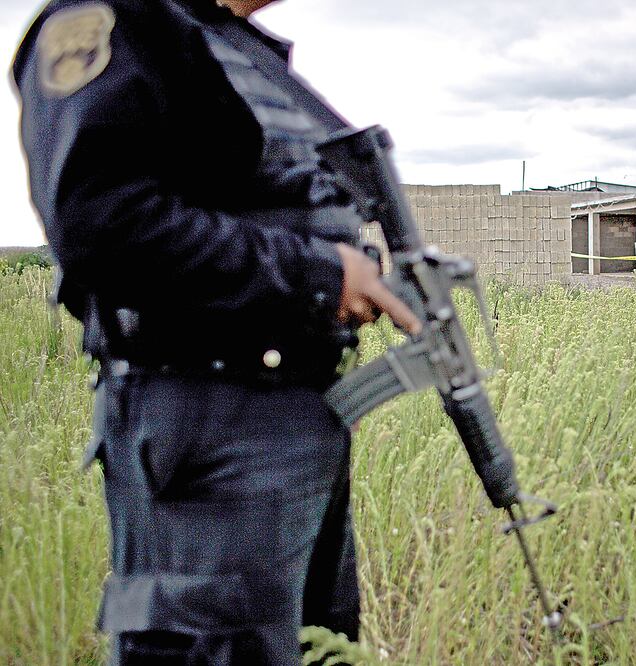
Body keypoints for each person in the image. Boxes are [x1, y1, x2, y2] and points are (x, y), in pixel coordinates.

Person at [12, 0, 421, 663]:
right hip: (207, 422)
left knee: (314, 646)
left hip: (296, 416)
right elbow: (102, 224)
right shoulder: (111, 17)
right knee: (212, 647)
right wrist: (317, 272)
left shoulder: (237, 47)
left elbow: (260, 205)